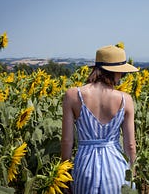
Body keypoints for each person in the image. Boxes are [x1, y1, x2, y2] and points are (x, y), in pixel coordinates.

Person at [61, 43, 138, 193]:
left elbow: (66, 142)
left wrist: (64, 175)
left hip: (84, 167)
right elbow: (130, 146)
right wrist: (132, 174)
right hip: (116, 169)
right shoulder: (125, 99)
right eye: (122, 73)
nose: (121, 77)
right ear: (115, 72)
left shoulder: (73, 95)